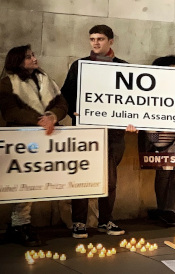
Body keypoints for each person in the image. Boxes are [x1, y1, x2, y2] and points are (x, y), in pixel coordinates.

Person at [61, 25, 134, 238]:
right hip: (85, 132)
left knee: (109, 181)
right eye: (92, 38)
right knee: (82, 177)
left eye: (100, 39)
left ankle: (105, 220)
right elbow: (66, 94)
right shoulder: (80, 65)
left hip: (113, 134)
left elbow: (133, 100)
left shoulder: (124, 67)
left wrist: (132, 119)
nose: (95, 42)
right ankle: (79, 222)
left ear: (111, 41)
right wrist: (74, 111)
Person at [0, 45, 68, 246]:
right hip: (22, 139)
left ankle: (21, 222)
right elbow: (10, 111)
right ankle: (19, 223)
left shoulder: (46, 81)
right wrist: (40, 120)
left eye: (33, 55)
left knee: (34, 182)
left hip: (44, 139)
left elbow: (62, 103)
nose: (34, 59)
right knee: (23, 183)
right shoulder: (7, 83)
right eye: (28, 57)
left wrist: (53, 116)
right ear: (18, 61)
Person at [139, 55, 175, 226]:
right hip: (161, 135)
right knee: (164, 172)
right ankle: (162, 208)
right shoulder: (152, 89)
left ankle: (170, 208)